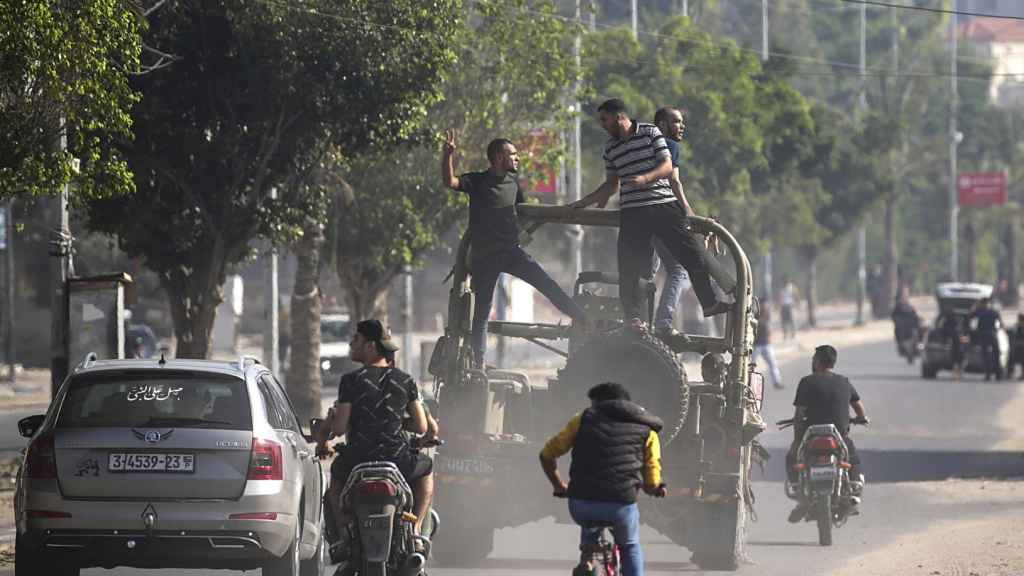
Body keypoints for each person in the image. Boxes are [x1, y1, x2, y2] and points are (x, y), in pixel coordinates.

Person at [570, 99, 730, 327]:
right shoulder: (610, 148)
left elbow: (666, 167)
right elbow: (611, 185)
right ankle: (633, 317)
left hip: (663, 207)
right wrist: (582, 203)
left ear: (619, 117)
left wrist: (645, 178)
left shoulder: (649, 132)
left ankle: (709, 303)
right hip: (633, 212)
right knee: (629, 266)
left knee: (692, 257)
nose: (602, 125)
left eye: (604, 120)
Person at [442, 130, 588, 367]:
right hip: (486, 256)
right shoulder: (478, 181)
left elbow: (522, 210)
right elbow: (450, 182)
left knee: (547, 284)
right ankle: (477, 364)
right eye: (513, 154)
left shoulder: (513, 183)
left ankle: (582, 319)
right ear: (499, 158)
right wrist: (447, 156)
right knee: (482, 313)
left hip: (511, 252)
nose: (517, 158)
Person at [316, 319, 435, 550]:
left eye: (356, 340)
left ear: (370, 346)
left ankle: (343, 533)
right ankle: (417, 528)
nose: (351, 344)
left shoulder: (350, 381)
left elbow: (339, 429)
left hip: (358, 459)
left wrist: (331, 424)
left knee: (335, 481)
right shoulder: (405, 380)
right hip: (398, 459)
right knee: (426, 470)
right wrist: (395, 421)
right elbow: (421, 426)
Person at [540, 382, 666, 576]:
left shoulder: (582, 419)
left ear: (599, 402)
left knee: (589, 511)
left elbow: (547, 454)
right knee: (630, 545)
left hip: (581, 505)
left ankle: (588, 560)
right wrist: (655, 488)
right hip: (620, 506)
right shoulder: (647, 430)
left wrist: (559, 486)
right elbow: (651, 476)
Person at [786, 345, 868, 523]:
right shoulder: (844, 382)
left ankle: (800, 496)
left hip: (812, 435)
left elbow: (799, 414)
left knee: (792, 457)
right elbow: (859, 408)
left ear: (817, 362)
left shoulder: (807, 382)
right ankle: (855, 487)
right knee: (852, 457)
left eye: (813, 359)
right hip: (838, 435)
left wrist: (796, 440)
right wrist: (861, 418)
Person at [969, 298, 1004, 381]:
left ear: (981, 304)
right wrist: (997, 330)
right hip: (993, 335)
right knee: (996, 355)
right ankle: (998, 375)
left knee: (986, 355)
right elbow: (1001, 324)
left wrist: (974, 307)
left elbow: (969, 317)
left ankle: (988, 375)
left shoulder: (979, 311)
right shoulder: (994, 312)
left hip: (983, 335)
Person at [753, 302, 783, 389]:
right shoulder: (756, 315)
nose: (765, 307)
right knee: (751, 364)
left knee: (773, 364)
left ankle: (777, 382)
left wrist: (770, 337)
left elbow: (769, 329)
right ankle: (748, 382)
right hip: (757, 345)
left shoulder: (767, 316)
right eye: (763, 305)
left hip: (766, 344)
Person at [890, 290, 922, 356]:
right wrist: (897, 321)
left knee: (921, 330)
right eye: (903, 296)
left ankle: (918, 347)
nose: (905, 298)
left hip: (912, 327)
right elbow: (893, 316)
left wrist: (919, 320)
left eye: (906, 296)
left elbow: (915, 316)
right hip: (902, 328)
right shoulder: (898, 307)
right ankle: (903, 347)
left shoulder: (910, 307)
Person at [1009, 313, 1024, 380]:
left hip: (1017, 346)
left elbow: (1012, 333)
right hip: (1019, 345)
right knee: (1021, 361)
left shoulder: (1016, 325)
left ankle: (1010, 373)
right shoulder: (1016, 325)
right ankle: (1012, 373)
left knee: (1013, 360)